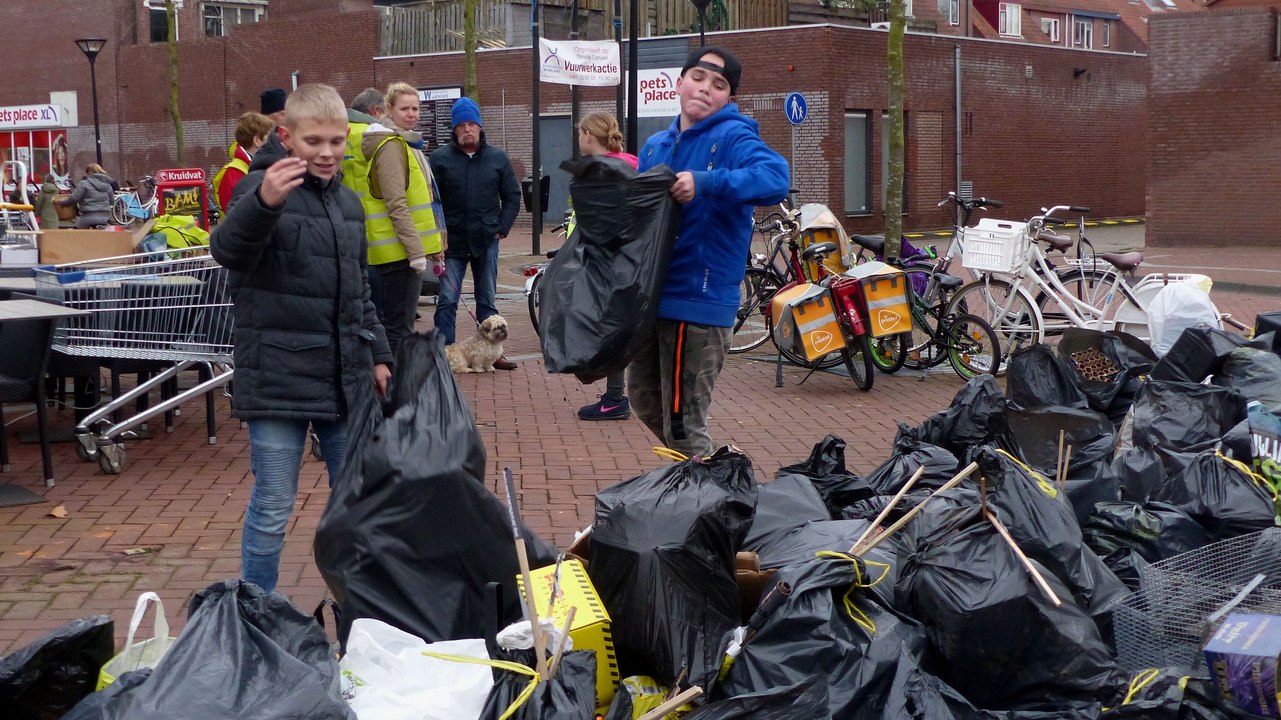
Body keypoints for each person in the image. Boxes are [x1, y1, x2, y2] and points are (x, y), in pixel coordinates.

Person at [210, 83, 393, 594]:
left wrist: (378, 353)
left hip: (343, 374)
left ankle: (360, 609)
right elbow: (228, 251)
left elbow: (359, 290)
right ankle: (257, 608)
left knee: (355, 500)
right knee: (272, 506)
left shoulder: (349, 204)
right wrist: (265, 203)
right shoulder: (257, 187)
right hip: (277, 376)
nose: (328, 152)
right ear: (287, 137)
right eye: (315, 141)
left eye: (337, 141)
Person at [629, 46, 789, 457]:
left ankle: (717, 503)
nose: (705, 89)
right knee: (645, 402)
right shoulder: (653, 147)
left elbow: (775, 178)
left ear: (729, 100)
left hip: (698, 304)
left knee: (683, 425)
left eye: (719, 85)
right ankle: (713, 480)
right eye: (698, 78)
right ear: (679, 83)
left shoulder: (734, 136)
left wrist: (707, 182)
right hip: (652, 301)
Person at [340, 82, 444, 355]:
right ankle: (397, 393)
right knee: (399, 329)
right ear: (387, 109)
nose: (412, 114)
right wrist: (417, 251)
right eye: (404, 108)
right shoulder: (391, 144)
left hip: (389, 250)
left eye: (416, 108)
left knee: (388, 326)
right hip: (399, 253)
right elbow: (397, 203)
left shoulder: (398, 141)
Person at [429, 97, 521, 368]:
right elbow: (431, 201)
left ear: (480, 127)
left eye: (472, 124)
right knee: (447, 299)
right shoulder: (439, 159)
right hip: (452, 242)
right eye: (462, 125)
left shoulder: (497, 158)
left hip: (486, 240)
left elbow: (513, 196)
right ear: (454, 129)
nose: (467, 129)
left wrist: (501, 228)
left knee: (487, 298)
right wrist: (437, 236)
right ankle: (444, 352)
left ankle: (494, 354)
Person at [574, 111, 639, 421]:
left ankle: (615, 399)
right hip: (630, 260)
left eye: (579, 134)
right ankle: (616, 395)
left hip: (610, 262)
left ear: (588, 135)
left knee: (612, 329)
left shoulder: (600, 172)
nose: (578, 139)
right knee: (619, 328)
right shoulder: (630, 163)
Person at [213, 112, 275, 214]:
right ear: (257, 141)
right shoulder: (233, 172)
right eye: (268, 138)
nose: (273, 143)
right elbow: (234, 214)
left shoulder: (253, 166)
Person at [58, 164, 118, 228]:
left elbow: (74, 198)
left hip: (88, 216)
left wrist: (63, 203)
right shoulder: (108, 186)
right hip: (104, 217)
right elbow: (112, 202)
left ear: (89, 172)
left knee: (74, 234)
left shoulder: (84, 183)